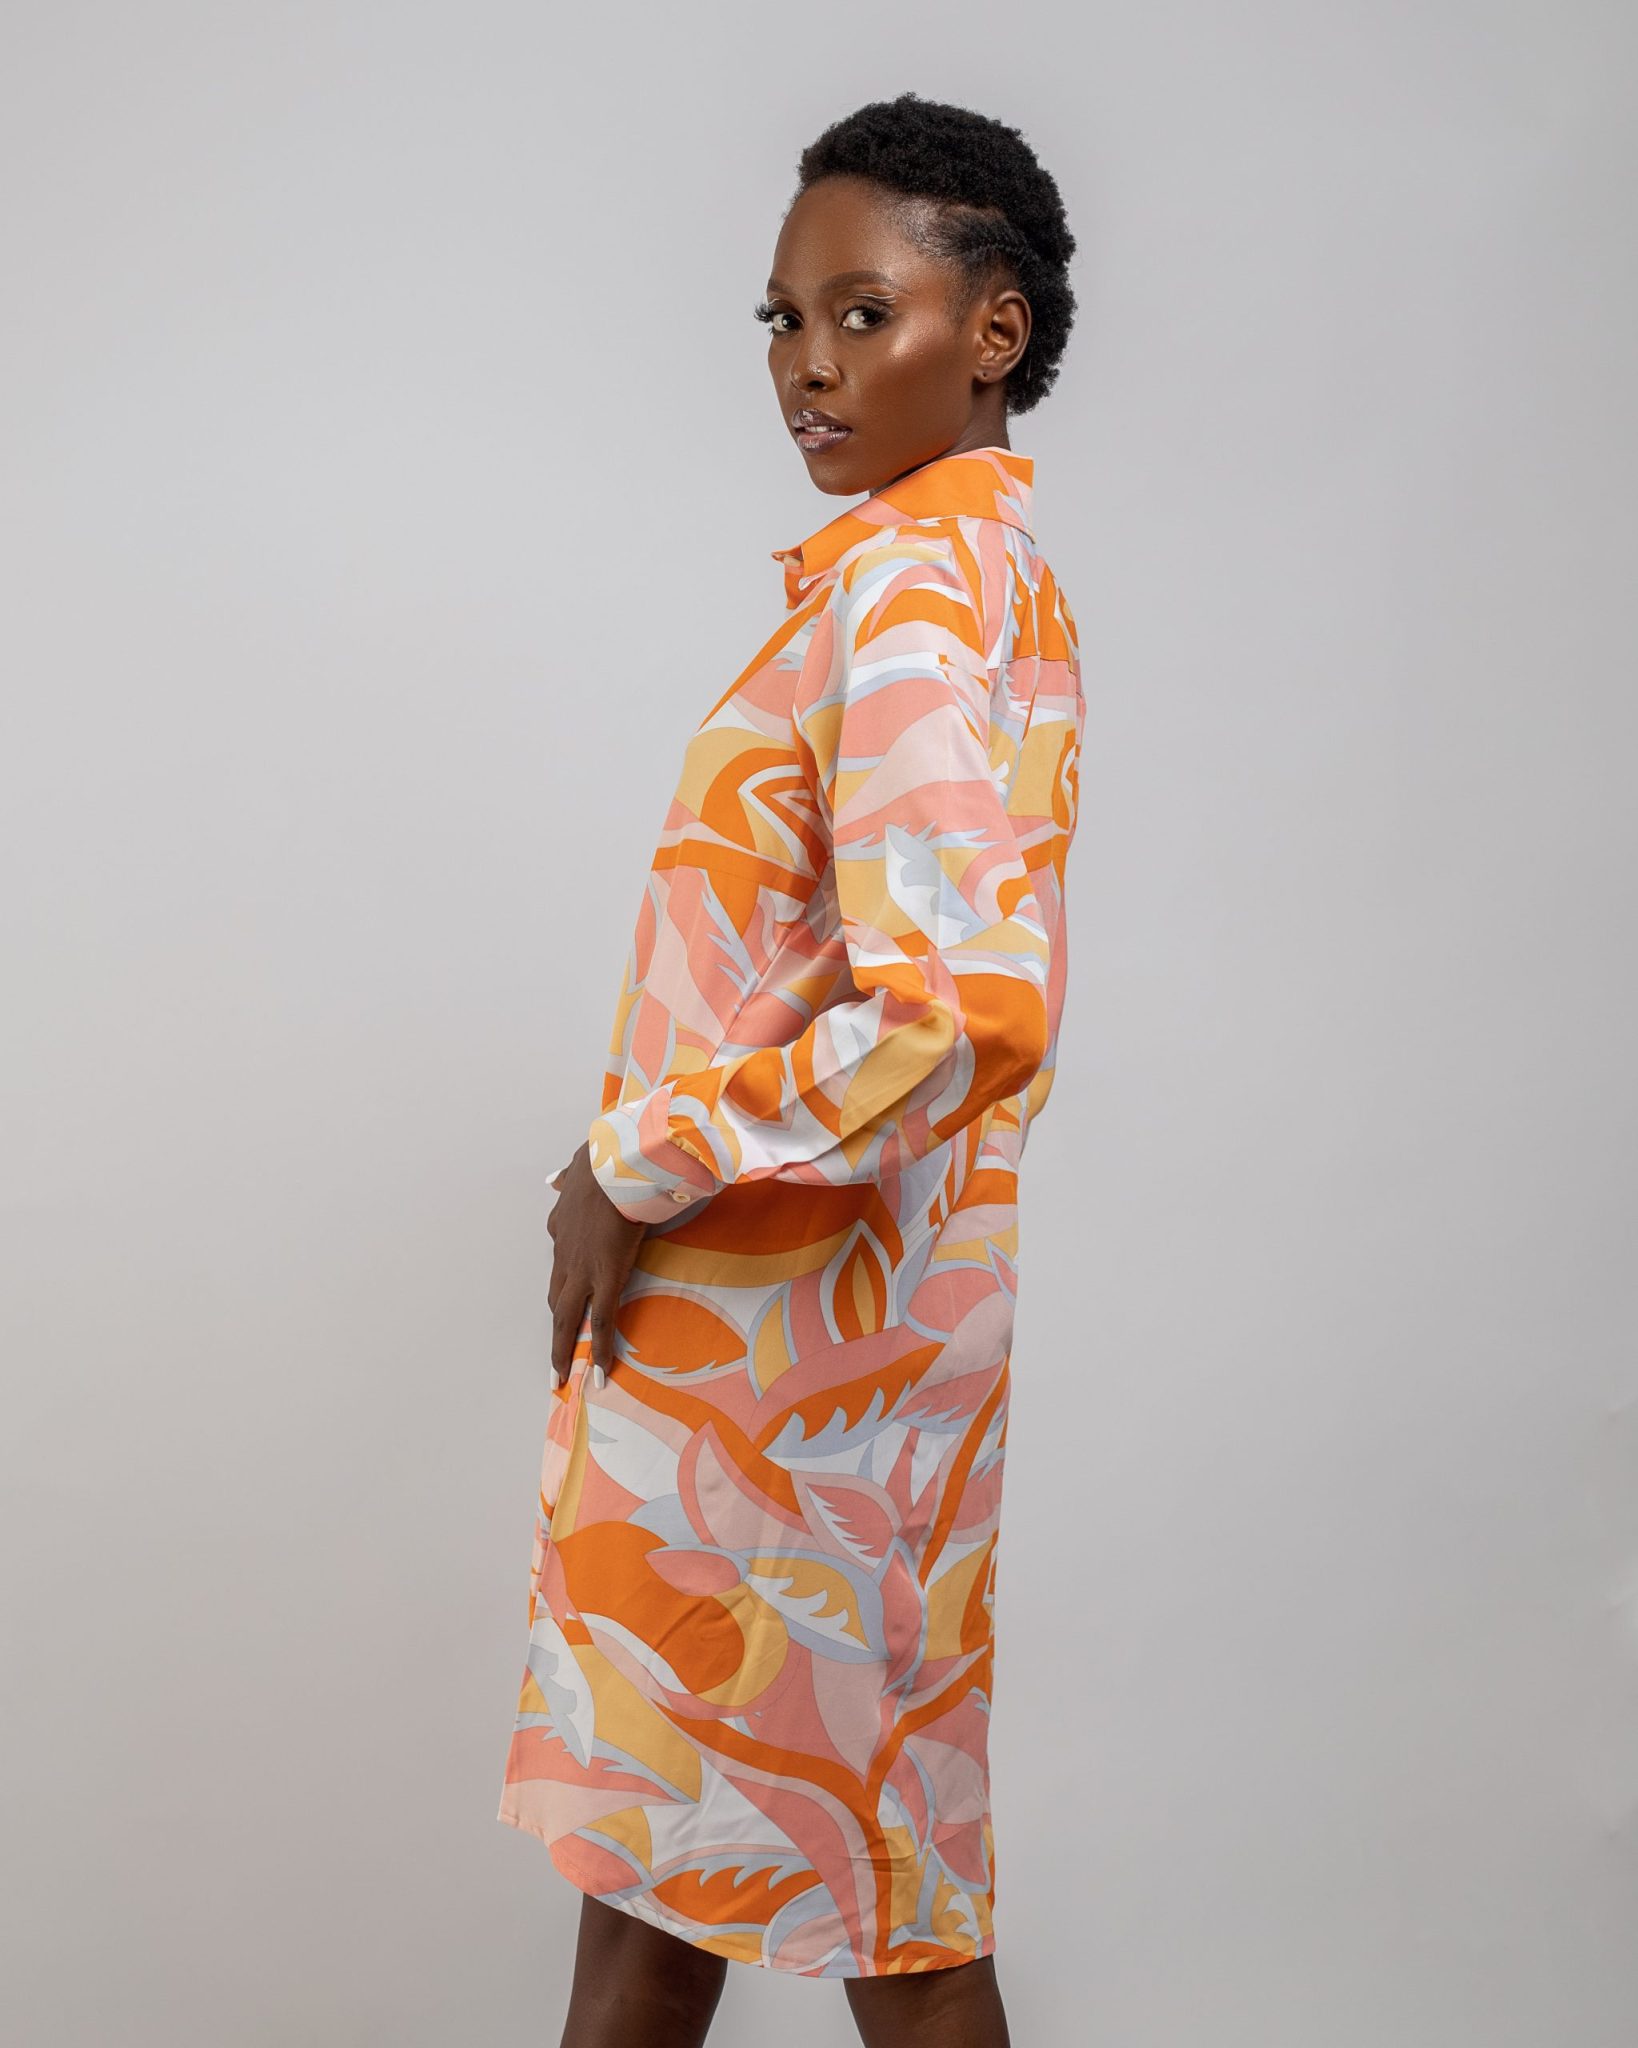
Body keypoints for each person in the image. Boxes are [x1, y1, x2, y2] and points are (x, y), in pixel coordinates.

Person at [497, 90, 1084, 2048]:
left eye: (861, 313)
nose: (809, 367)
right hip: (791, 1369)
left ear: (991, 332)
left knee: (878, 1919)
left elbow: (956, 1009)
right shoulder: (938, 576)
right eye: (782, 320)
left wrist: (634, 1164)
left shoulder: (913, 593)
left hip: (793, 1385)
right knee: (669, 1903)